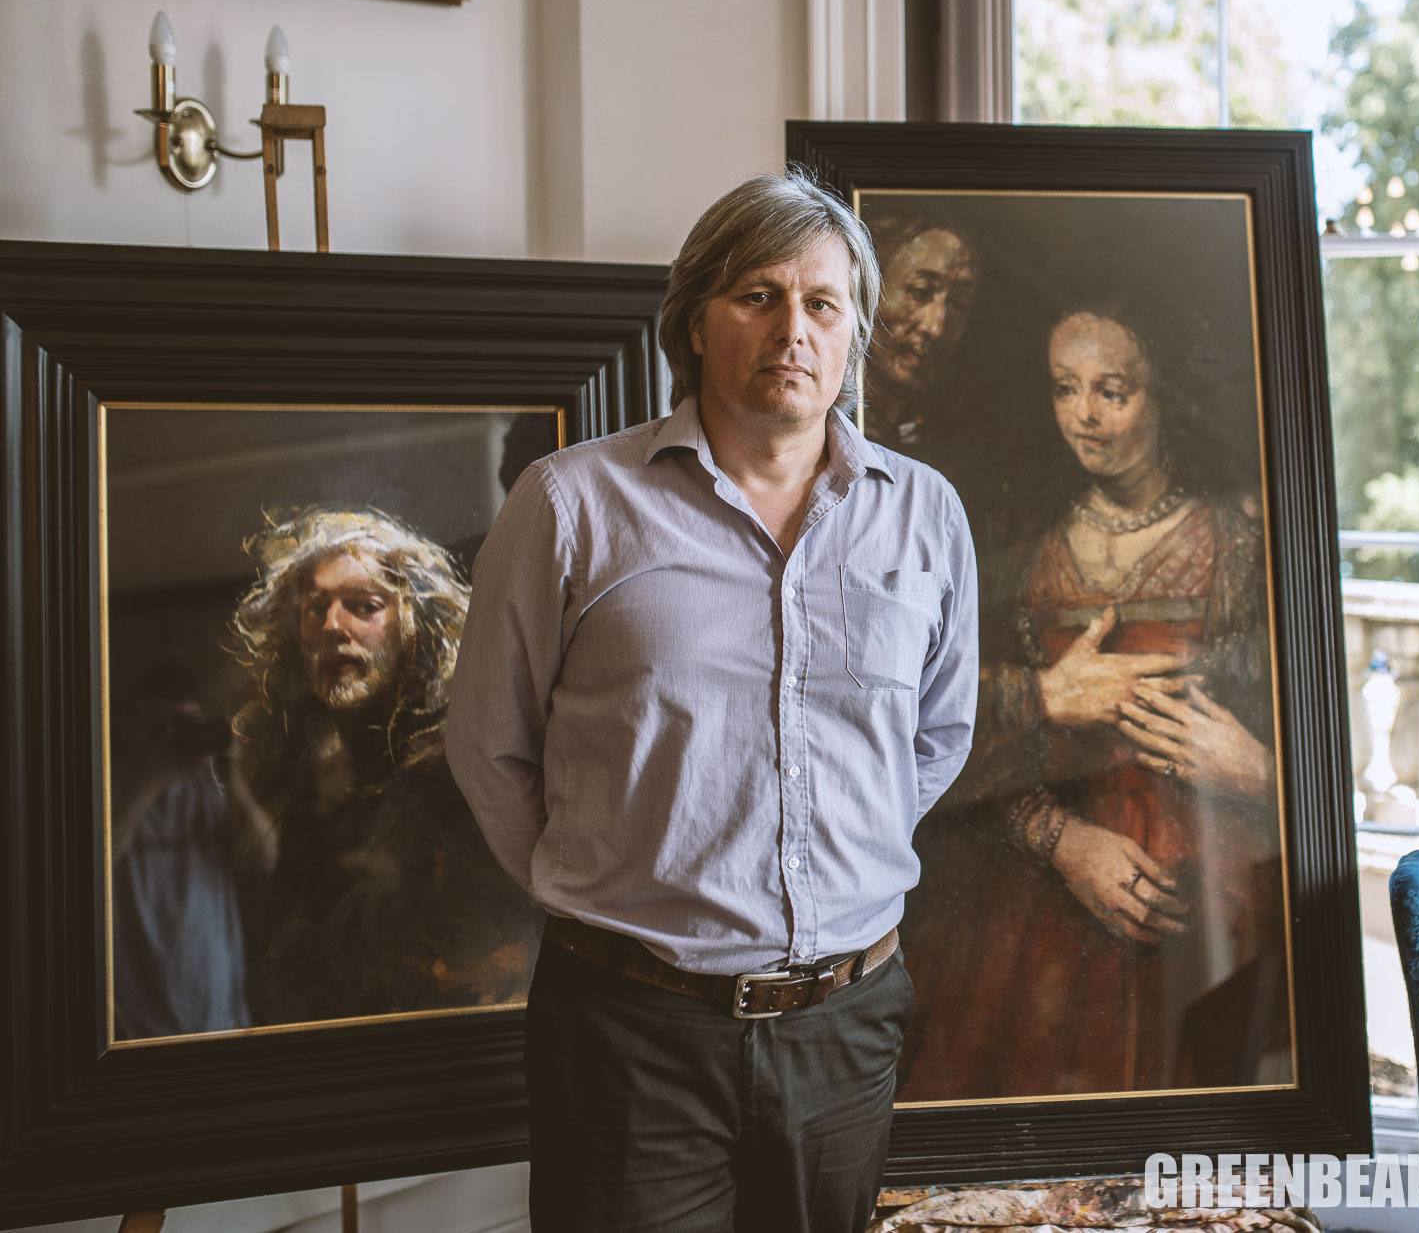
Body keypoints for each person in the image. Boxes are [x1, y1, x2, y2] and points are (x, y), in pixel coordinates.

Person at [446, 168, 979, 1233]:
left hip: (846, 1023)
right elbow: (488, 746)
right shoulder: (569, 504)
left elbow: (932, 737)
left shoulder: (924, 514)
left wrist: (833, 860)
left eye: (822, 304)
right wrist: (613, 884)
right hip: (630, 1028)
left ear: (853, 336)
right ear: (695, 322)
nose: (793, 329)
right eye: (757, 296)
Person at [897, 295, 1285, 1102]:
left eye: (1114, 389)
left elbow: (1295, 744)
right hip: (1036, 869)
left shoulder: (1237, 544)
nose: (1085, 415)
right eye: (1063, 388)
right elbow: (946, 733)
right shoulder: (1020, 542)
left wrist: (1259, 771)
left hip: (1201, 875)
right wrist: (1062, 840)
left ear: (1162, 394)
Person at [228, 506, 541, 1025]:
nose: (333, 626)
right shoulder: (293, 771)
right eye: (314, 608)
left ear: (415, 622)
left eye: (363, 606)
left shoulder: (463, 764)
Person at [109, 662, 269, 1039]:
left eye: (186, 725)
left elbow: (263, 859)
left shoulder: (209, 788)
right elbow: (86, 874)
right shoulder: (104, 786)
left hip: (219, 1018)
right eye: (162, 724)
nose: (174, 737)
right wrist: (155, 775)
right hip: (135, 1027)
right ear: (132, 721)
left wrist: (233, 775)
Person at [860, 213, 978, 452]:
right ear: (869, 292)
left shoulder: (953, 450)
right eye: (921, 292)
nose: (935, 328)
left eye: (958, 305)